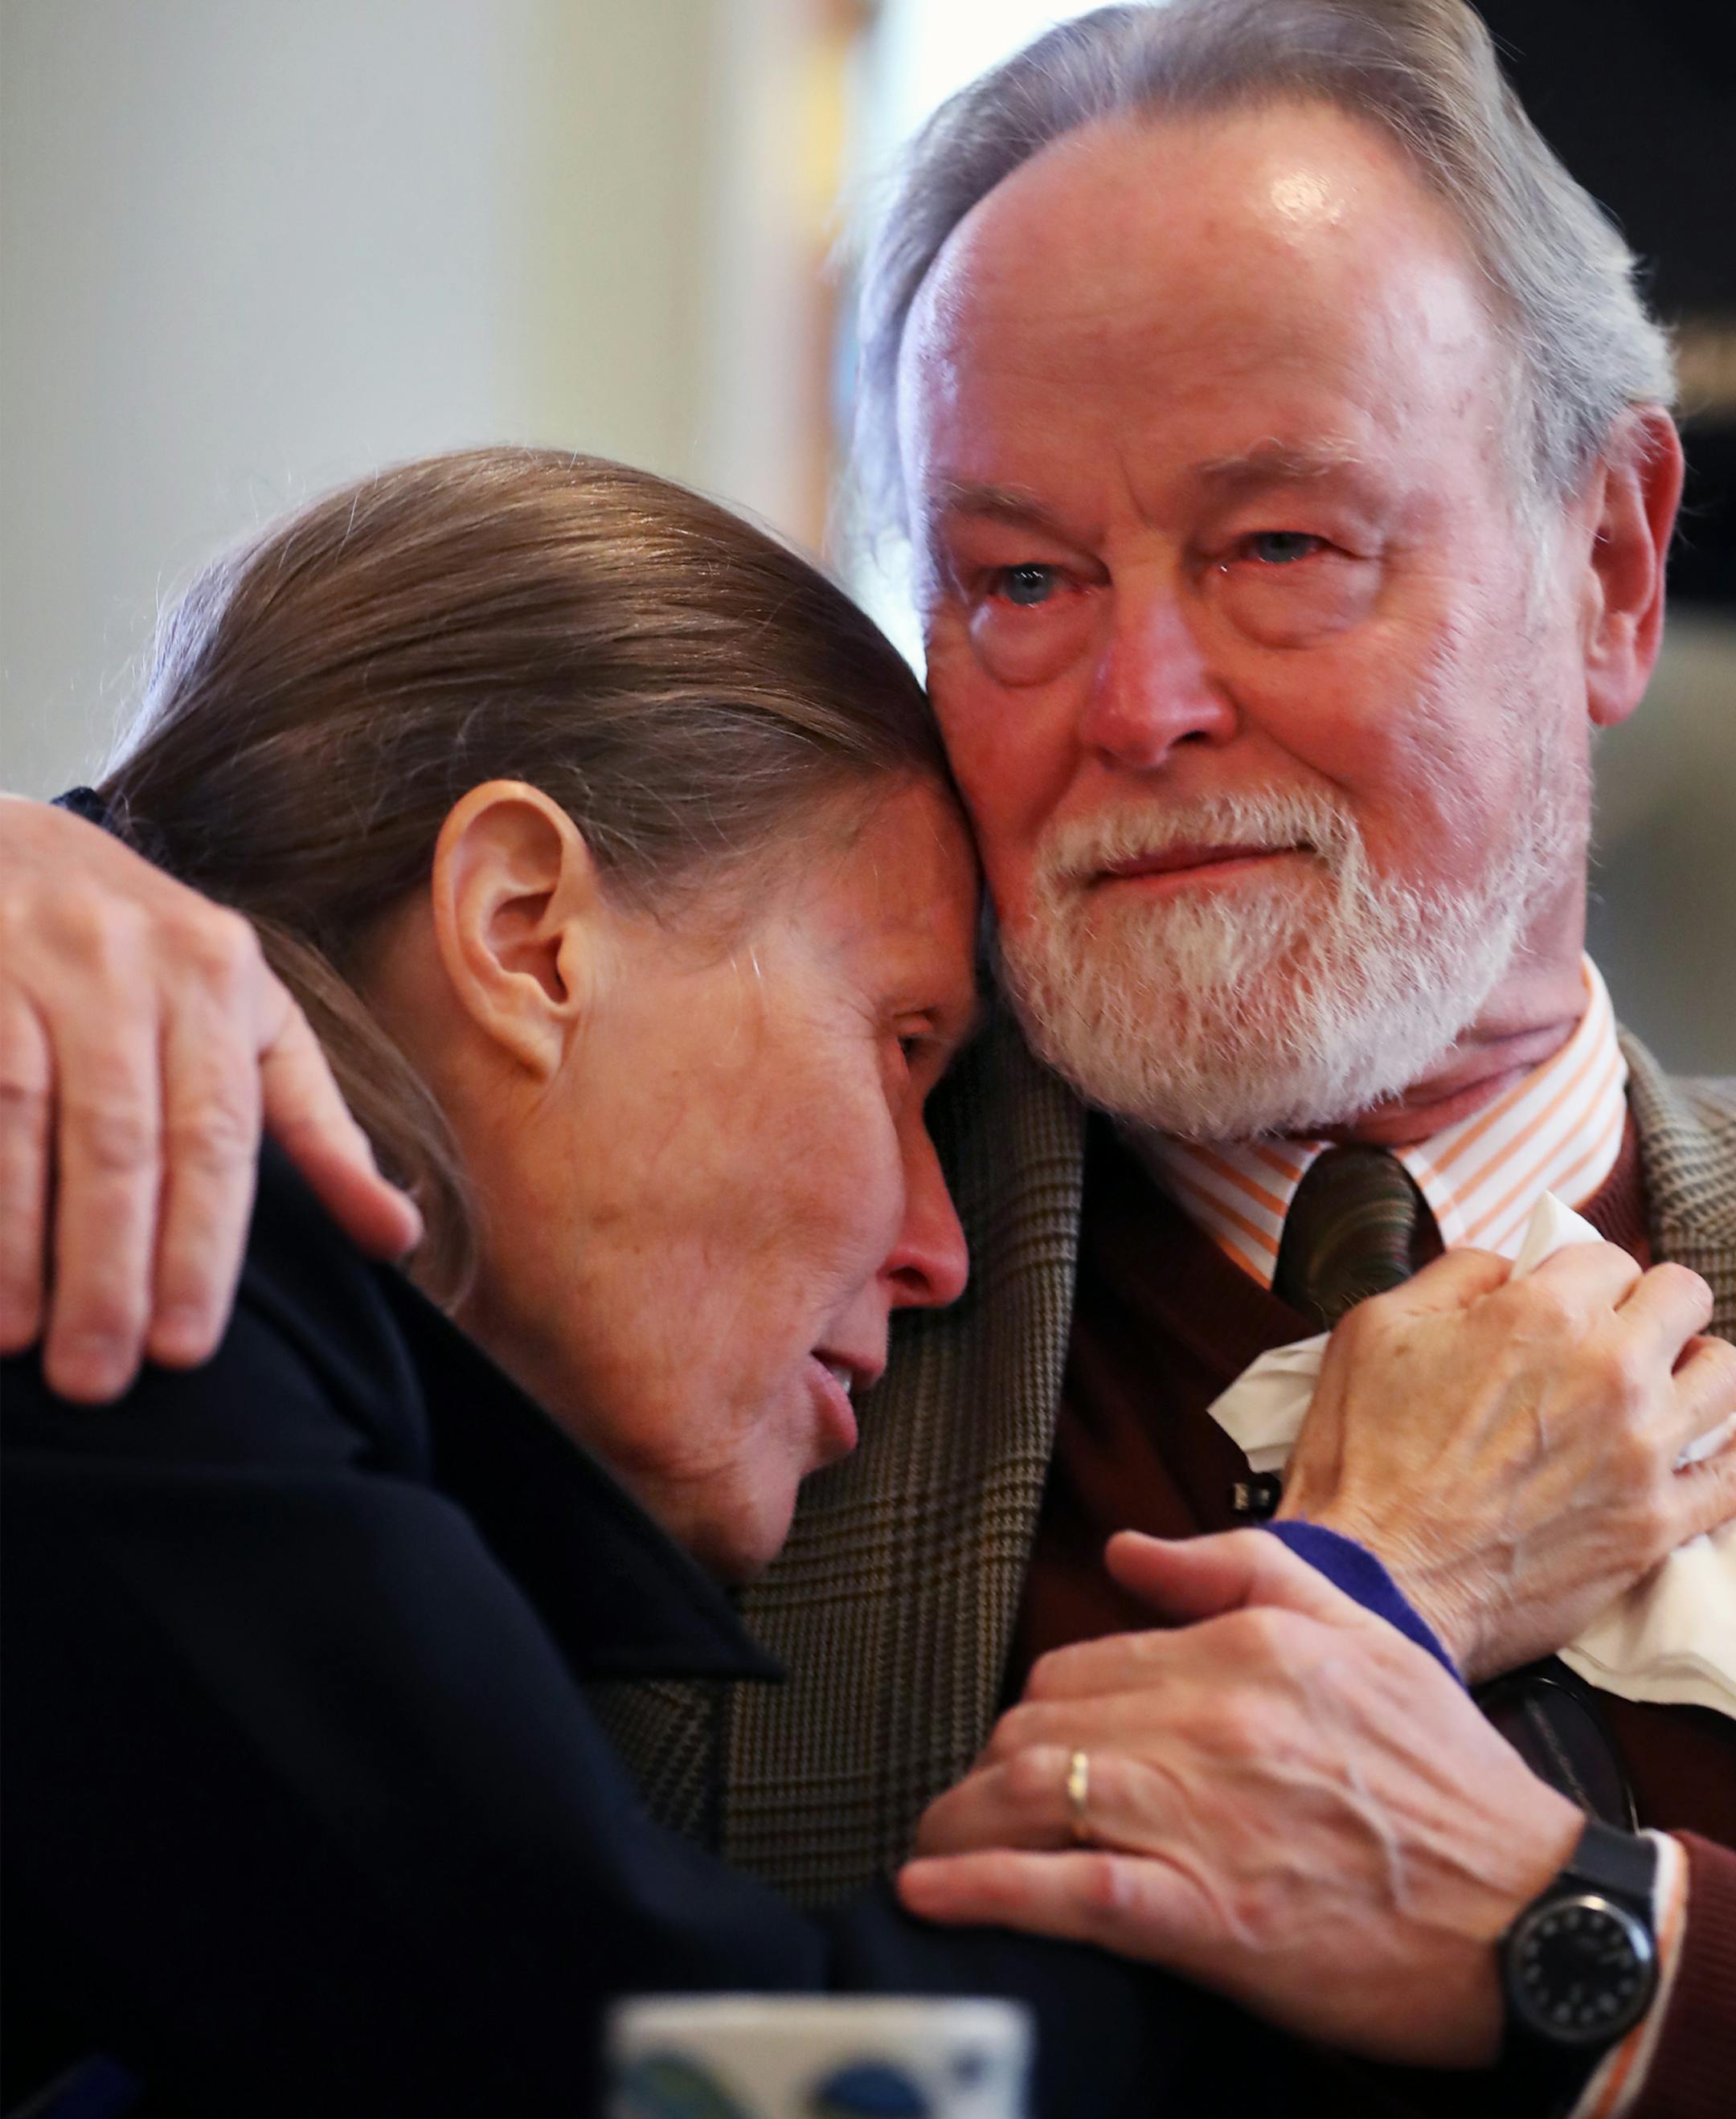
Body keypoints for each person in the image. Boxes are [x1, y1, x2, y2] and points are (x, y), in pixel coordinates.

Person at [4, 0, 1736, 2109]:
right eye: (1018, 579)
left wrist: (1638, 1958)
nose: (1141, 701)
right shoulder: (648, 1306)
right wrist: (74, 862)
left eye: (1285, 545)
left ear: (1616, 567)